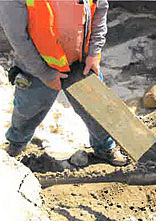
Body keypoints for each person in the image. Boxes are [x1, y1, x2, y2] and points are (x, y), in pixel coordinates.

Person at [0, 0, 128, 166]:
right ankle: (16, 145)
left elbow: (99, 9)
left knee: (97, 109)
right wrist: (44, 73)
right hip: (37, 67)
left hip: (80, 63)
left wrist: (94, 53)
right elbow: (18, 37)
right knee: (27, 111)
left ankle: (105, 148)